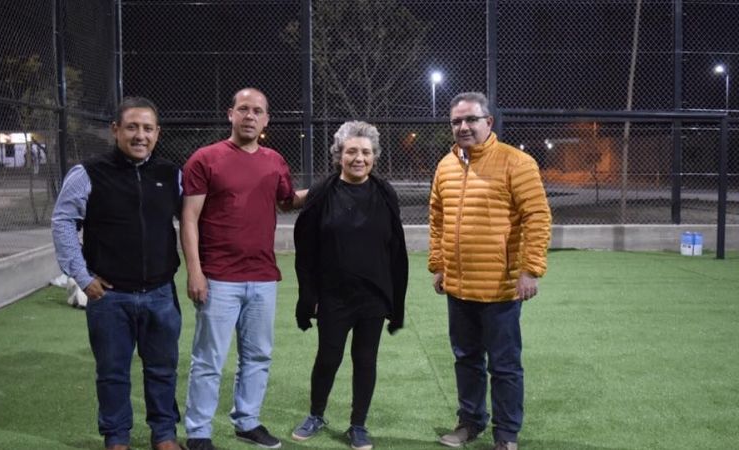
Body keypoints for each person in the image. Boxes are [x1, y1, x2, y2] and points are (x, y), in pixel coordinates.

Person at [51, 96, 183, 450]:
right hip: (109, 297)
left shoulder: (171, 175)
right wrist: (81, 276)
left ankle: (165, 434)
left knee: (162, 370)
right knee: (112, 374)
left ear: (158, 133)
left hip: (160, 293)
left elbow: (192, 222)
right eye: (132, 127)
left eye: (148, 128)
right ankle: (117, 437)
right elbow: (64, 222)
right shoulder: (88, 173)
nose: (140, 135)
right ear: (115, 130)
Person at [181, 88, 306, 450]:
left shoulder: (274, 160)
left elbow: (287, 203)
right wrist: (195, 271)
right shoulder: (206, 159)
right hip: (218, 277)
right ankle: (199, 432)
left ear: (267, 119)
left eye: (258, 111)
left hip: (263, 277)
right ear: (230, 114)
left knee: (257, 355)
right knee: (208, 360)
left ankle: (247, 421)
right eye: (244, 109)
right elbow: (189, 218)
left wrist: (330, 184)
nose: (250, 116)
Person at [429, 92, 551, 450]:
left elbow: (538, 217)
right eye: (456, 121)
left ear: (489, 122)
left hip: (501, 287)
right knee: (465, 359)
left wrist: (530, 269)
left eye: (470, 120)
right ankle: (470, 422)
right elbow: (437, 218)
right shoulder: (445, 166)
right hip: (458, 286)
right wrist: (439, 265)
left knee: (504, 365)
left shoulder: (517, 162)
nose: (463, 127)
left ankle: (506, 434)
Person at [291, 121, 409, 450]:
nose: (359, 158)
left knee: (365, 359)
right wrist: (309, 295)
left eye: (366, 152)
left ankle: (358, 425)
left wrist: (393, 298)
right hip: (333, 294)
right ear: (339, 154)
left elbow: (395, 248)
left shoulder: (385, 193)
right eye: (352, 151)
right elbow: (307, 249)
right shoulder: (323, 192)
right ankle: (316, 414)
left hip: (372, 295)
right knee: (328, 357)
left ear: (375, 156)